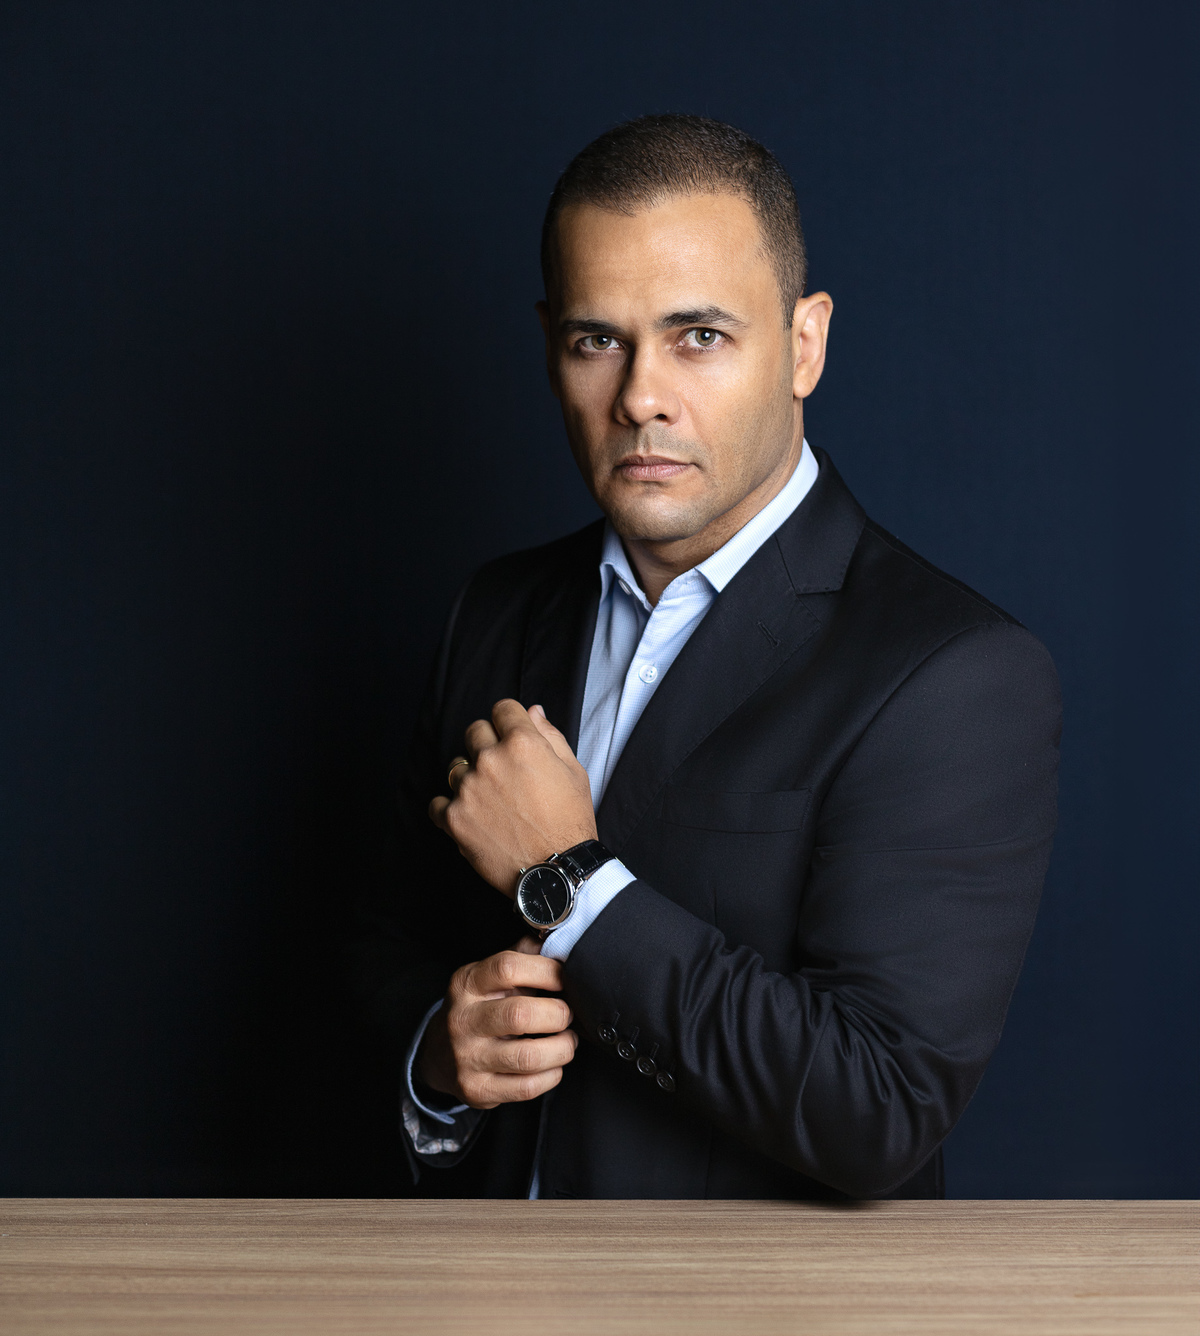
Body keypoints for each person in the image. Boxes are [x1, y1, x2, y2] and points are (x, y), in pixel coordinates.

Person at [351, 114, 1060, 1200]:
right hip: (477, 1280)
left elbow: (879, 1108)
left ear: (805, 345)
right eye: (597, 340)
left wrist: (569, 879)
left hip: (746, 1292)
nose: (640, 394)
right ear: (550, 346)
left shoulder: (954, 672)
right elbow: (381, 954)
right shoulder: (493, 611)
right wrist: (437, 1063)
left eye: (699, 337)